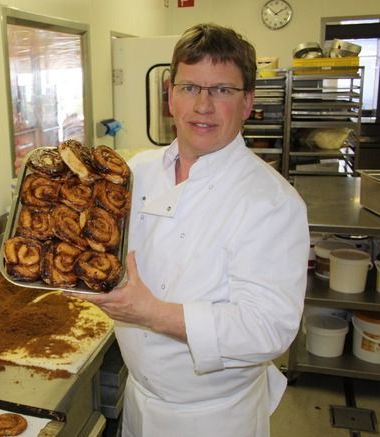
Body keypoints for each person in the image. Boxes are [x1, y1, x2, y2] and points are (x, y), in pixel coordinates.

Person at [71, 23, 309, 437]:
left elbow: (268, 329)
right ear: (169, 96)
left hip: (215, 418)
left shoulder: (272, 202)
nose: (202, 105)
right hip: (140, 402)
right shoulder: (136, 172)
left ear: (248, 102)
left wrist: (150, 313)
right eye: (189, 87)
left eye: (221, 90)